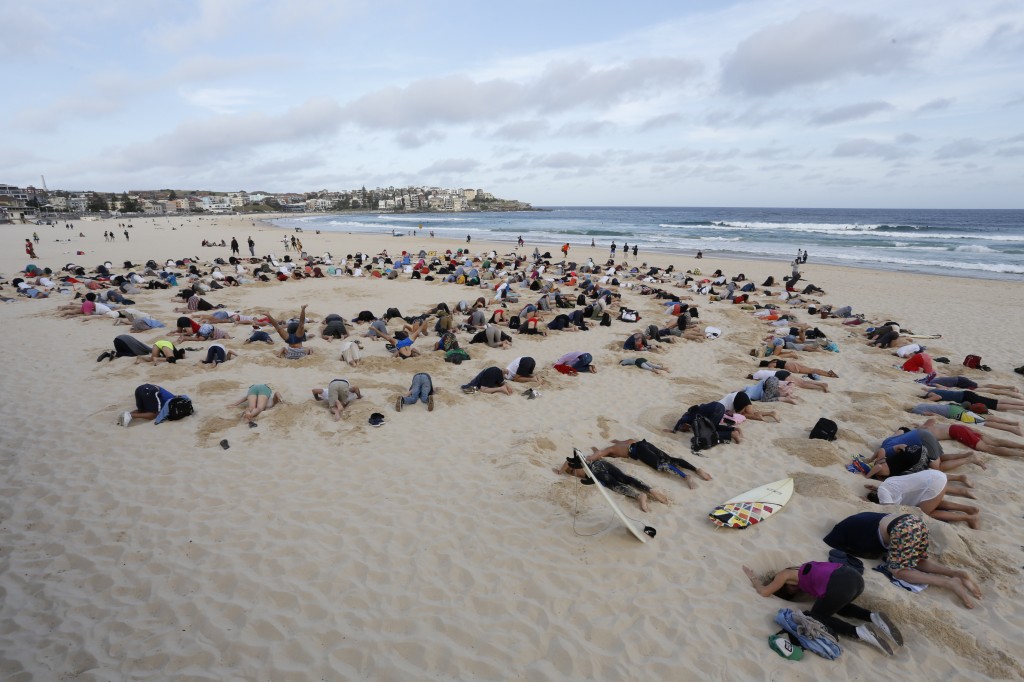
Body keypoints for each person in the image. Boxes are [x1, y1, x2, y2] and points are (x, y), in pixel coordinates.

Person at [823, 512, 983, 608]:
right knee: (917, 560)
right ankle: (957, 573)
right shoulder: (855, 522)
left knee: (898, 571)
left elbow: (851, 550)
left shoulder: (839, 536)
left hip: (902, 529)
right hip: (914, 521)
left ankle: (950, 582)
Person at [742, 561, 901, 655]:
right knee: (836, 605)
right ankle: (872, 616)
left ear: (783, 586)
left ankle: (859, 632)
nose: (794, 591)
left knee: (814, 617)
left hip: (840, 583)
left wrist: (754, 579)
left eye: (788, 591)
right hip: (855, 579)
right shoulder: (802, 569)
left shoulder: (782, 575)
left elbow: (764, 592)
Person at [553, 452, 669, 513]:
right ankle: (650, 489)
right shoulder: (579, 464)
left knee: (614, 484)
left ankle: (639, 496)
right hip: (600, 463)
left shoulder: (571, 468)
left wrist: (559, 471)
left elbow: (567, 463)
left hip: (595, 470)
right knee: (624, 477)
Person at [864, 469, 980, 528]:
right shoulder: (886, 483)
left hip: (932, 483)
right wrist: (876, 488)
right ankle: (969, 509)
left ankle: (968, 517)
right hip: (933, 475)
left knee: (926, 513)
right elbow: (894, 490)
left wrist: (869, 504)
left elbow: (888, 510)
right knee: (933, 502)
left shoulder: (883, 492)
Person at [588, 439, 711, 489]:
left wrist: (590, 457)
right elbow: (617, 442)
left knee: (660, 465)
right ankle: (696, 469)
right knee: (670, 459)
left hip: (639, 451)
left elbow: (600, 453)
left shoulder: (611, 449)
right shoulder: (621, 443)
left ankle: (686, 477)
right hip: (644, 443)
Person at [921, 417, 1024, 458]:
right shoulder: (926, 427)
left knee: (989, 449)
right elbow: (932, 419)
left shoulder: (921, 433)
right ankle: (1021, 446)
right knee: (994, 441)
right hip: (957, 427)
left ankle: (1020, 453)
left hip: (956, 431)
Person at [758, 358, 838, 378]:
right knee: (811, 369)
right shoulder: (774, 360)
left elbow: (773, 370)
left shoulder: (770, 364)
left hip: (789, 366)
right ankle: (828, 372)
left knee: (810, 371)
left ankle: (828, 374)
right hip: (790, 363)